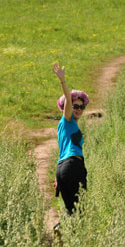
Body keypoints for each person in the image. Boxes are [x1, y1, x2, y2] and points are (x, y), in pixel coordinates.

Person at [52, 61, 89, 229]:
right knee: (80, 209)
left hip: (63, 169)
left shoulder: (68, 126)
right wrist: (62, 81)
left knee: (70, 210)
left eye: (82, 106)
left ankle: (60, 232)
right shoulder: (66, 120)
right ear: (67, 107)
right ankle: (78, 244)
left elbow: (62, 152)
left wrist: (57, 177)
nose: (79, 109)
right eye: (75, 106)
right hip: (73, 166)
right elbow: (67, 97)